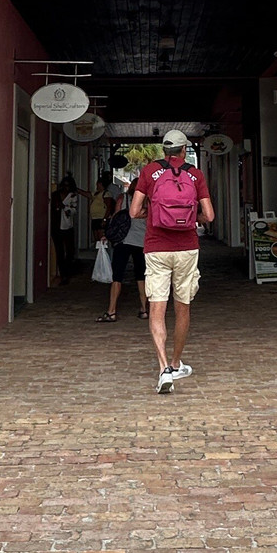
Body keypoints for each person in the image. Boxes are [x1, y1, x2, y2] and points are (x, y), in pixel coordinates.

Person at [130, 130, 214, 395]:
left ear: (164, 150)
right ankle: (177, 362)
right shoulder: (195, 174)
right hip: (187, 248)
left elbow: (133, 212)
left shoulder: (149, 172)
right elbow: (209, 215)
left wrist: (153, 213)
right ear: (183, 149)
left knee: (157, 306)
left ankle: (164, 367)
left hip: (156, 248)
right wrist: (191, 219)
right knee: (183, 306)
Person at [96, 178, 148, 323]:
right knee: (141, 276)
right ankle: (144, 309)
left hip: (123, 240)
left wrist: (108, 234)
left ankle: (111, 311)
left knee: (117, 276)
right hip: (142, 242)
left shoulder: (122, 198)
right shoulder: (148, 202)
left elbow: (116, 218)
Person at [51, 176, 79, 285]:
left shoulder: (72, 196)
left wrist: (65, 208)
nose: (66, 188)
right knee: (59, 251)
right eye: (65, 185)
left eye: (68, 186)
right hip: (56, 226)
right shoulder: (55, 195)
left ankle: (68, 272)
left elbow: (73, 210)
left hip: (67, 226)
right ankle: (63, 274)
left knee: (69, 250)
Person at [88, 173, 116, 243]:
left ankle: (104, 252)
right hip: (95, 218)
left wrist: (104, 219)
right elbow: (87, 194)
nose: (96, 186)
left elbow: (108, 207)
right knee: (97, 239)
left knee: (102, 239)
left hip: (101, 218)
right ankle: (99, 252)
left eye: (98, 184)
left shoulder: (106, 194)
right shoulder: (96, 193)